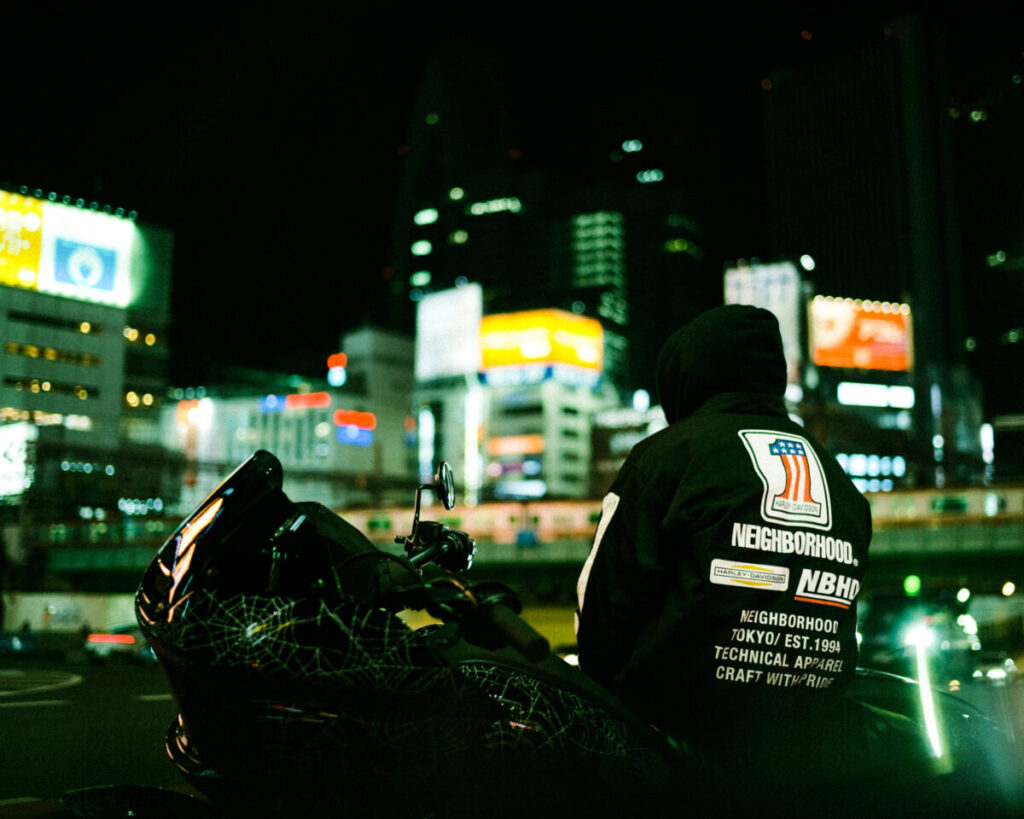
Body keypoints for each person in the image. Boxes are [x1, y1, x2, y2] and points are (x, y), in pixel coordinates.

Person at [575, 304, 879, 801]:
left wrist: (616, 704)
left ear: (687, 376)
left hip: (683, 753)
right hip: (816, 756)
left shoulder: (669, 456)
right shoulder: (838, 479)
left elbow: (604, 605)